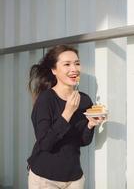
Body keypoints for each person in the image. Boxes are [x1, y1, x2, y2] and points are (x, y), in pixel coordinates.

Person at [27, 45, 104, 189]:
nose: (74, 69)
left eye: (77, 63)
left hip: (75, 178)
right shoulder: (46, 100)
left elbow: (82, 141)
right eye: (67, 64)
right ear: (54, 70)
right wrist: (67, 113)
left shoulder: (85, 100)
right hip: (45, 179)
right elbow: (45, 144)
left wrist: (91, 124)